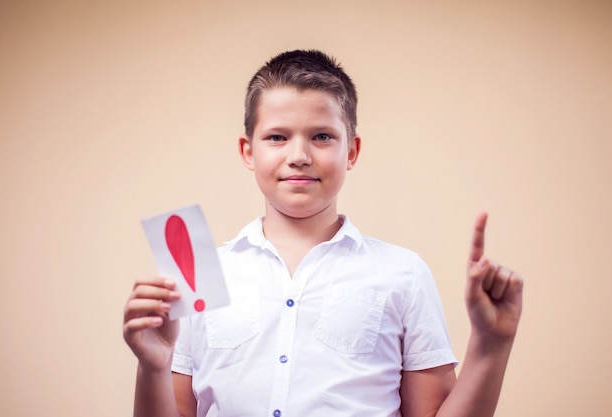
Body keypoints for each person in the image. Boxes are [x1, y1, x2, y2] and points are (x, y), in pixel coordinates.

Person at [123, 49, 524, 417]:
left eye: (322, 136)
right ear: (248, 151)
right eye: (277, 137)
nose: (299, 156)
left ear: (351, 151)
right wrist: (153, 366)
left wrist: (491, 345)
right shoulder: (201, 276)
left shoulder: (403, 273)